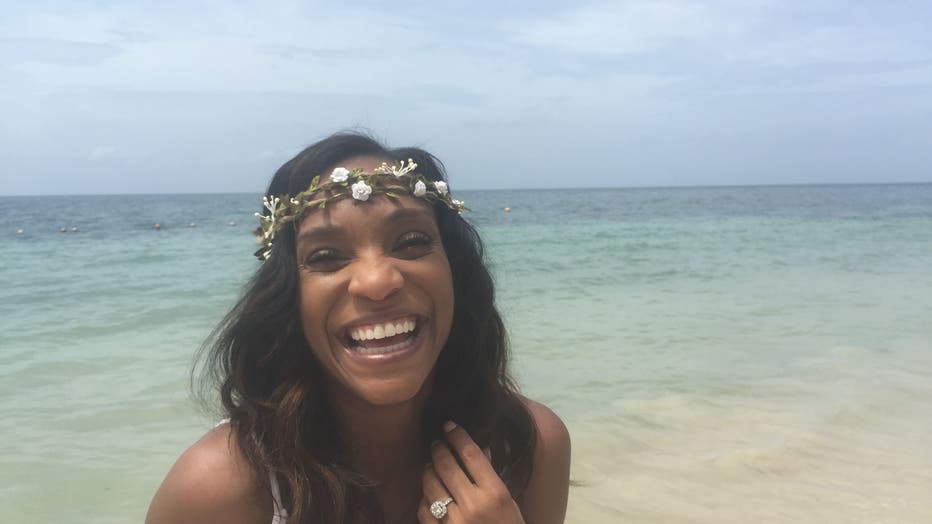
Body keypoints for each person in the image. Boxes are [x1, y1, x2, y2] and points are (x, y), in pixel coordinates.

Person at [145, 133, 571, 524]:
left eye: (411, 243)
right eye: (327, 256)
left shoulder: (529, 446)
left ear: (455, 273)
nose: (377, 281)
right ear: (288, 297)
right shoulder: (219, 490)